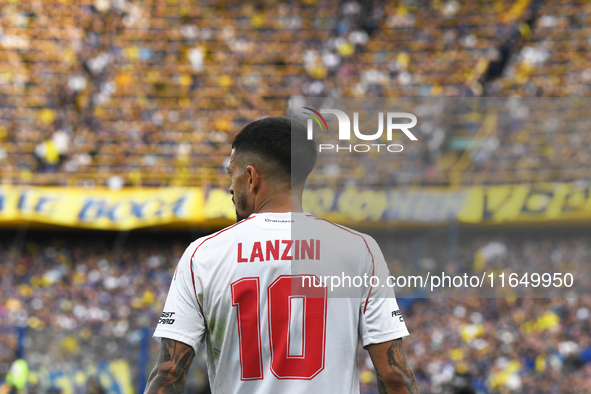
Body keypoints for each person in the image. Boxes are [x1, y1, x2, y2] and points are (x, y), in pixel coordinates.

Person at [145, 117, 418, 394]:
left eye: (232, 174)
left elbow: (169, 372)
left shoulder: (202, 255)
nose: (230, 186)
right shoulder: (360, 249)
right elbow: (394, 376)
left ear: (251, 178)